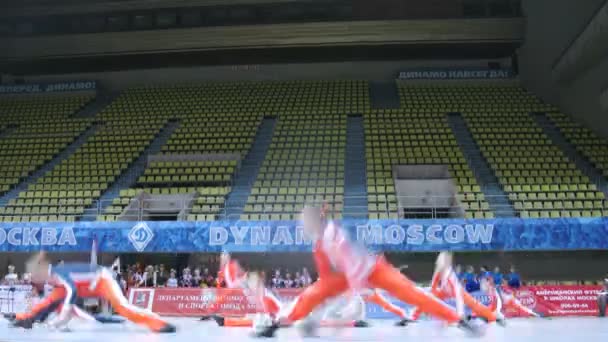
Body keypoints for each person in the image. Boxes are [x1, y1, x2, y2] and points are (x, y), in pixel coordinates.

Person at [255, 205, 481, 338]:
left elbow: (352, 267)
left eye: (305, 220)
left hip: (371, 269)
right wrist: (320, 304)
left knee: (412, 294)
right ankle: (274, 325)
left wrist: (353, 298)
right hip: (339, 277)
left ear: (316, 220)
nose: (302, 224)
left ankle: (458, 319)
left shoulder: (334, 237)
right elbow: (325, 282)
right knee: (307, 298)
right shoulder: (317, 240)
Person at [12, 252, 175, 333]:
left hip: (102, 280)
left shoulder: (57, 274)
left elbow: (72, 291)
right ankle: (25, 318)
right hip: (83, 285)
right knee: (49, 301)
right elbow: (50, 300)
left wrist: (64, 314)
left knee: (122, 307)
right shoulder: (50, 279)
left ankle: (156, 323)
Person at [409, 252, 505, 326]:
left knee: (473, 304)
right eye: (438, 262)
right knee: (427, 297)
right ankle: (412, 316)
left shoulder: (450, 275)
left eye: (442, 262)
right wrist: (424, 308)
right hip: (444, 291)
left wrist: (460, 315)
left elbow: (458, 295)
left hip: (457, 291)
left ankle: (492, 316)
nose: (439, 264)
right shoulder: (438, 271)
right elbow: (433, 289)